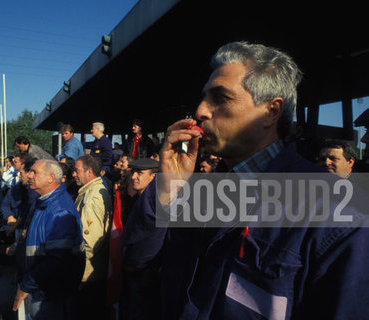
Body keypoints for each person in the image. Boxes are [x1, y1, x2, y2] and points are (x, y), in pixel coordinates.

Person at [158, 41, 369, 319]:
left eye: (220, 98)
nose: (200, 111)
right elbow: (160, 272)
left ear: (271, 111)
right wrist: (170, 193)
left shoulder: (340, 212)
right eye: (204, 96)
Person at [12, 159, 85, 319]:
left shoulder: (59, 210)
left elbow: (56, 260)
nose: (29, 175)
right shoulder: (43, 203)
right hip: (40, 289)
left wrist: (26, 285)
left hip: (48, 295)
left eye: (34, 172)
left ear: (51, 178)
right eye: (29, 171)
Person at [120, 158, 162, 319]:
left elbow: (153, 239)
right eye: (133, 172)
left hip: (145, 274)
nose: (134, 176)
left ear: (153, 176)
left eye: (140, 173)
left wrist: (135, 264)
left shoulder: (156, 203)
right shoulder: (137, 199)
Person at [73, 154, 112, 318]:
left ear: (89, 171)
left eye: (77, 171)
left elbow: (91, 242)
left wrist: (78, 271)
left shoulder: (92, 197)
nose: (73, 174)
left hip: (89, 276)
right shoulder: (90, 192)